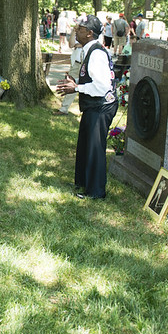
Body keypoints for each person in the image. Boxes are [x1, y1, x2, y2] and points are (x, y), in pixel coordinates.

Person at [56, 15, 117, 199]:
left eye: (81, 28)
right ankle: (82, 183)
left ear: (90, 33)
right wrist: (76, 82)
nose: (76, 29)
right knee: (85, 145)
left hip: (101, 106)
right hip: (93, 105)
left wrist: (77, 88)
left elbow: (103, 86)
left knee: (95, 149)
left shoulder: (96, 53)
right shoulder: (88, 49)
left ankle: (96, 192)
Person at [53, 23, 83, 116]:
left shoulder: (92, 34)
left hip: (86, 63)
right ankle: (64, 109)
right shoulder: (78, 34)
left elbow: (86, 44)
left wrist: (79, 44)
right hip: (76, 63)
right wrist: (74, 31)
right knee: (70, 84)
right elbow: (71, 44)